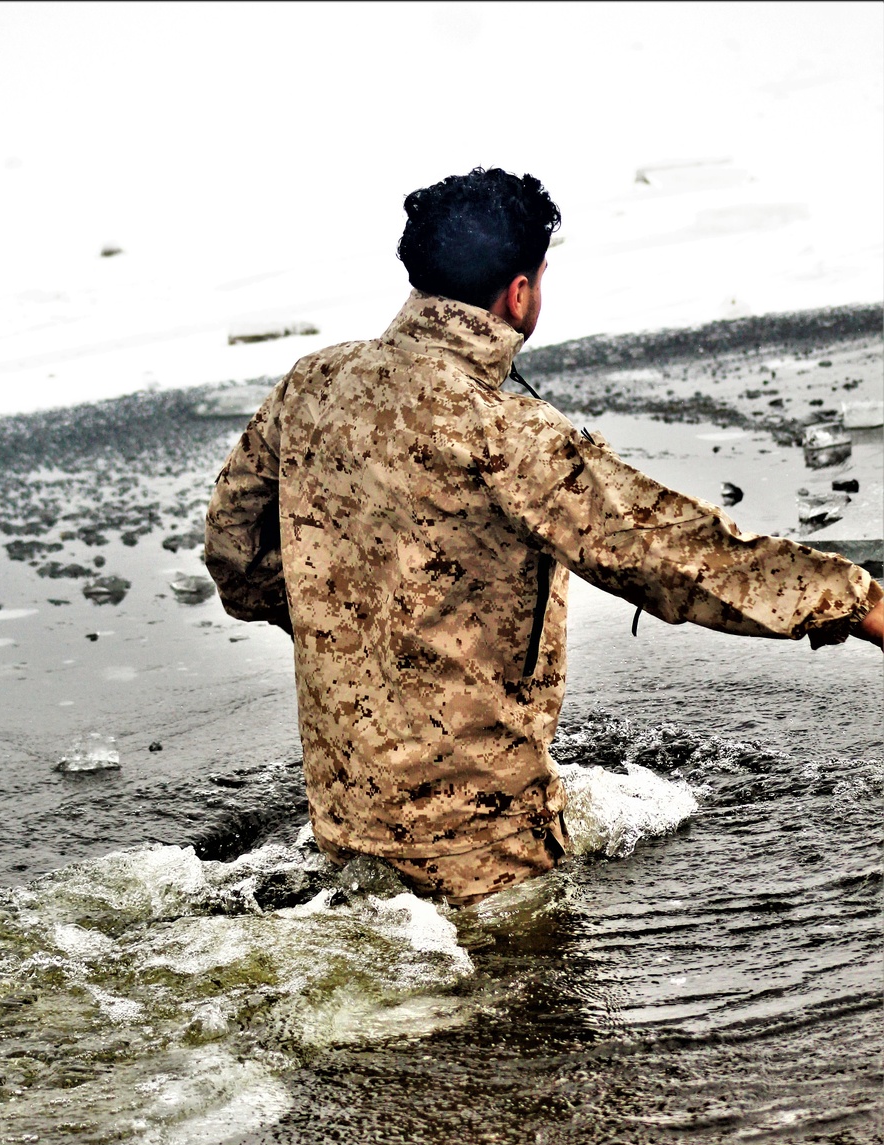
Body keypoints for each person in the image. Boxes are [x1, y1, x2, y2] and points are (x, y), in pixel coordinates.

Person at [205, 167, 883, 906]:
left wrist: (346, 629)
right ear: (520, 291)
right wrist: (857, 603)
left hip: (342, 825)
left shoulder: (312, 384)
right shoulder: (503, 432)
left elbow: (235, 555)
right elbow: (671, 554)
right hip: (483, 850)